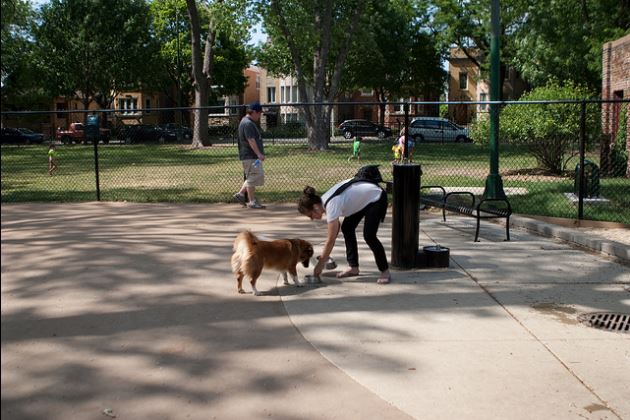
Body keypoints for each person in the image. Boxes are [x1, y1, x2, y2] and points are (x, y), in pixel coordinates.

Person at [297, 182, 391, 284]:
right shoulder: (324, 201)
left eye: (310, 215)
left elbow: (330, 239)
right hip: (363, 199)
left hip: (375, 197)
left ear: (315, 207)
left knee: (369, 236)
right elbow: (334, 232)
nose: (311, 219)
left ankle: (385, 271)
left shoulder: (331, 205)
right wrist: (325, 255)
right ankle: (353, 267)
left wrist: (320, 264)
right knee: (347, 228)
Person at [233, 102, 265, 209]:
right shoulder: (248, 123)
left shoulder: (246, 122)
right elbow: (251, 140)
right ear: (254, 112)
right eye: (259, 113)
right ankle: (251, 201)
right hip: (250, 155)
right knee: (254, 176)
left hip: (249, 155)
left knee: (252, 176)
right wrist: (259, 154)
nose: (260, 116)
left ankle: (241, 194)